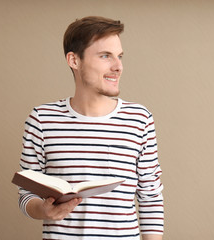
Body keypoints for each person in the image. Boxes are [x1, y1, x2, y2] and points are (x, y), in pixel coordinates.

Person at [18, 16, 164, 240]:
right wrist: (43, 210)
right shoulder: (42, 119)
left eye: (119, 56)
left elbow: (151, 198)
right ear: (74, 60)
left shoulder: (139, 119)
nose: (118, 66)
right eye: (106, 56)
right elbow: (27, 194)